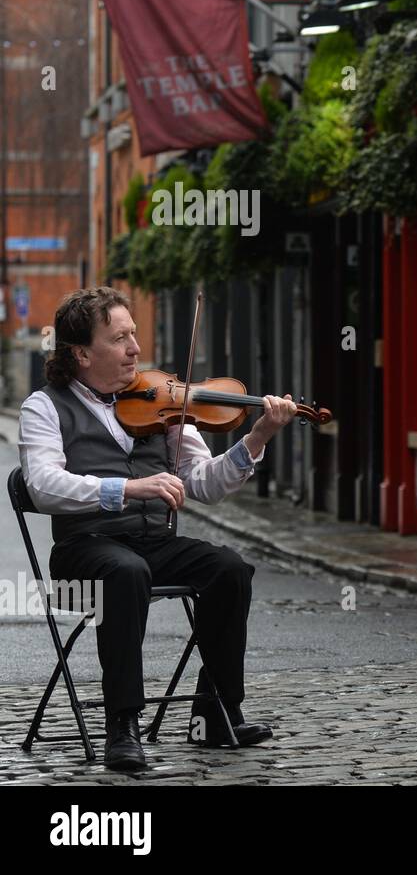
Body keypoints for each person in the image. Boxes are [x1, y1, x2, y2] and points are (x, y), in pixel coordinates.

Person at [18, 287, 298, 771]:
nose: (135, 348)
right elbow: (42, 486)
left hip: (154, 543)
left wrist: (257, 437)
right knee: (124, 572)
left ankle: (217, 711)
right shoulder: (44, 408)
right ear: (82, 353)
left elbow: (205, 484)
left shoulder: (162, 402)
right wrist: (127, 489)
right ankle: (122, 725)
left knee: (229, 568)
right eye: (119, 337)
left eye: (134, 334)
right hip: (85, 551)